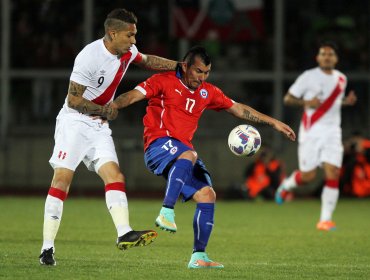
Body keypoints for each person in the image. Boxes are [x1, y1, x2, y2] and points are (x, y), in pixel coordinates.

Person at [111, 46, 296, 268]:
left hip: (182, 154)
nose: (202, 77)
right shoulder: (162, 80)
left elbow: (238, 109)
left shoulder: (208, 92)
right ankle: (166, 210)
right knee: (189, 154)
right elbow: (133, 95)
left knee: (208, 195)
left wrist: (274, 122)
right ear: (185, 66)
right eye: (198, 71)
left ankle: (199, 257)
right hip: (158, 145)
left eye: (206, 72)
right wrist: (111, 107)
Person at [39, 8, 180, 266]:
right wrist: (104, 109)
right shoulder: (89, 57)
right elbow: (73, 100)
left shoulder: (126, 52)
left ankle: (124, 232)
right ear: (112, 33)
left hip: (99, 126)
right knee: (62, 180)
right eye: (130, 35)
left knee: (115, 176)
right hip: (75, 123)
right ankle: (47, 248)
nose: (134, 41)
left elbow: (148, 60)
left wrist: (180, 67)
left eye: (135, 35)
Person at [275, 41, 357, 231]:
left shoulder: (341, 79)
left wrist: (346, 102)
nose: (327, 57)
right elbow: (287, 98)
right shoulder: (308, 76)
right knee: (308, 176)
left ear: (336, 58)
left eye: (330, 54)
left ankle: (325, 220)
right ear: (318, 57)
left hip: (332, 132)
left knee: (333, 172)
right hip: (311, 132)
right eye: (323, 54)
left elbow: (333, 102)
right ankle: (286, 185)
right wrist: (306, 101)